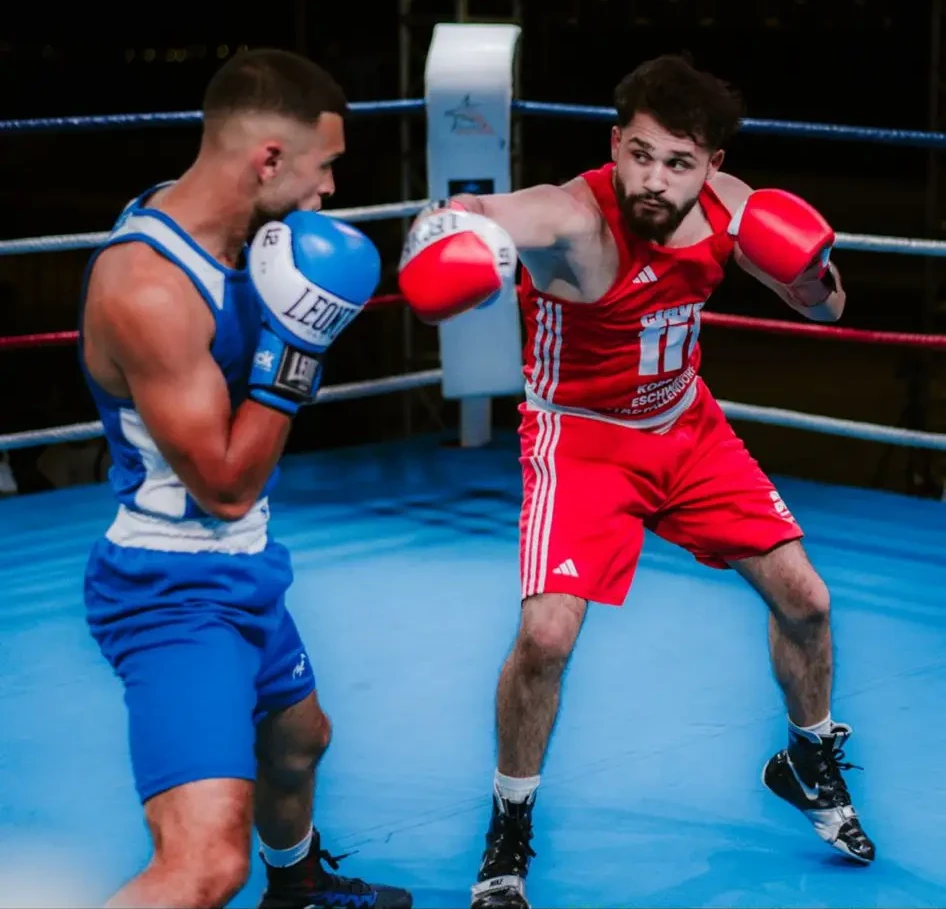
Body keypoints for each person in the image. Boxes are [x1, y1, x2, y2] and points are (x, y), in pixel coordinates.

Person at [398, 54, 875, 909]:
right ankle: (507, 838)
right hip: (580, 443)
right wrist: (453, 229)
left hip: (685, 427)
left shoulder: (735, 211)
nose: (654, 180)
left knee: (808, 599)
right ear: (616, 145)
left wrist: (810, 268)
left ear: (713, 167)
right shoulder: (571, 217)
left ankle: (807, 759)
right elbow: (480, 212)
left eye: (679, 164)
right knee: (545, 637)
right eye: (641, 155)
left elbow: (825, 307)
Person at [79, 48, 412, 909]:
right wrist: (295, 353)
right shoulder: (149, 287)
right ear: (268, 159)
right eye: (324, 167)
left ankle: (298, 892)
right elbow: (225, 484)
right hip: (173, 588)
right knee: (202, 867)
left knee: (299, 741)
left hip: (245, 566)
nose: (328, 192)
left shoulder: (234, 239)